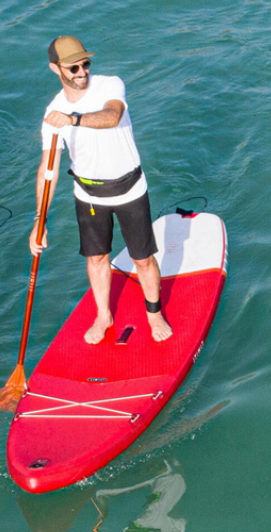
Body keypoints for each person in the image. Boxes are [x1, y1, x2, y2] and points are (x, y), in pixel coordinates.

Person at [31, 36, 172, 344]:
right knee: (96, 258)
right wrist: (38, 222)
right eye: (73, 67)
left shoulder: (109, 86)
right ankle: (103, 315)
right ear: (55, 69)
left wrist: (73, 119)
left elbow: (112, 117)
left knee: (142, 259)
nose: (82, 71)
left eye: (86, 63)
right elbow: (48, 170)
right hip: (88, 194)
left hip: (129, 188)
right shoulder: (52, 113)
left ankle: (154, 312)